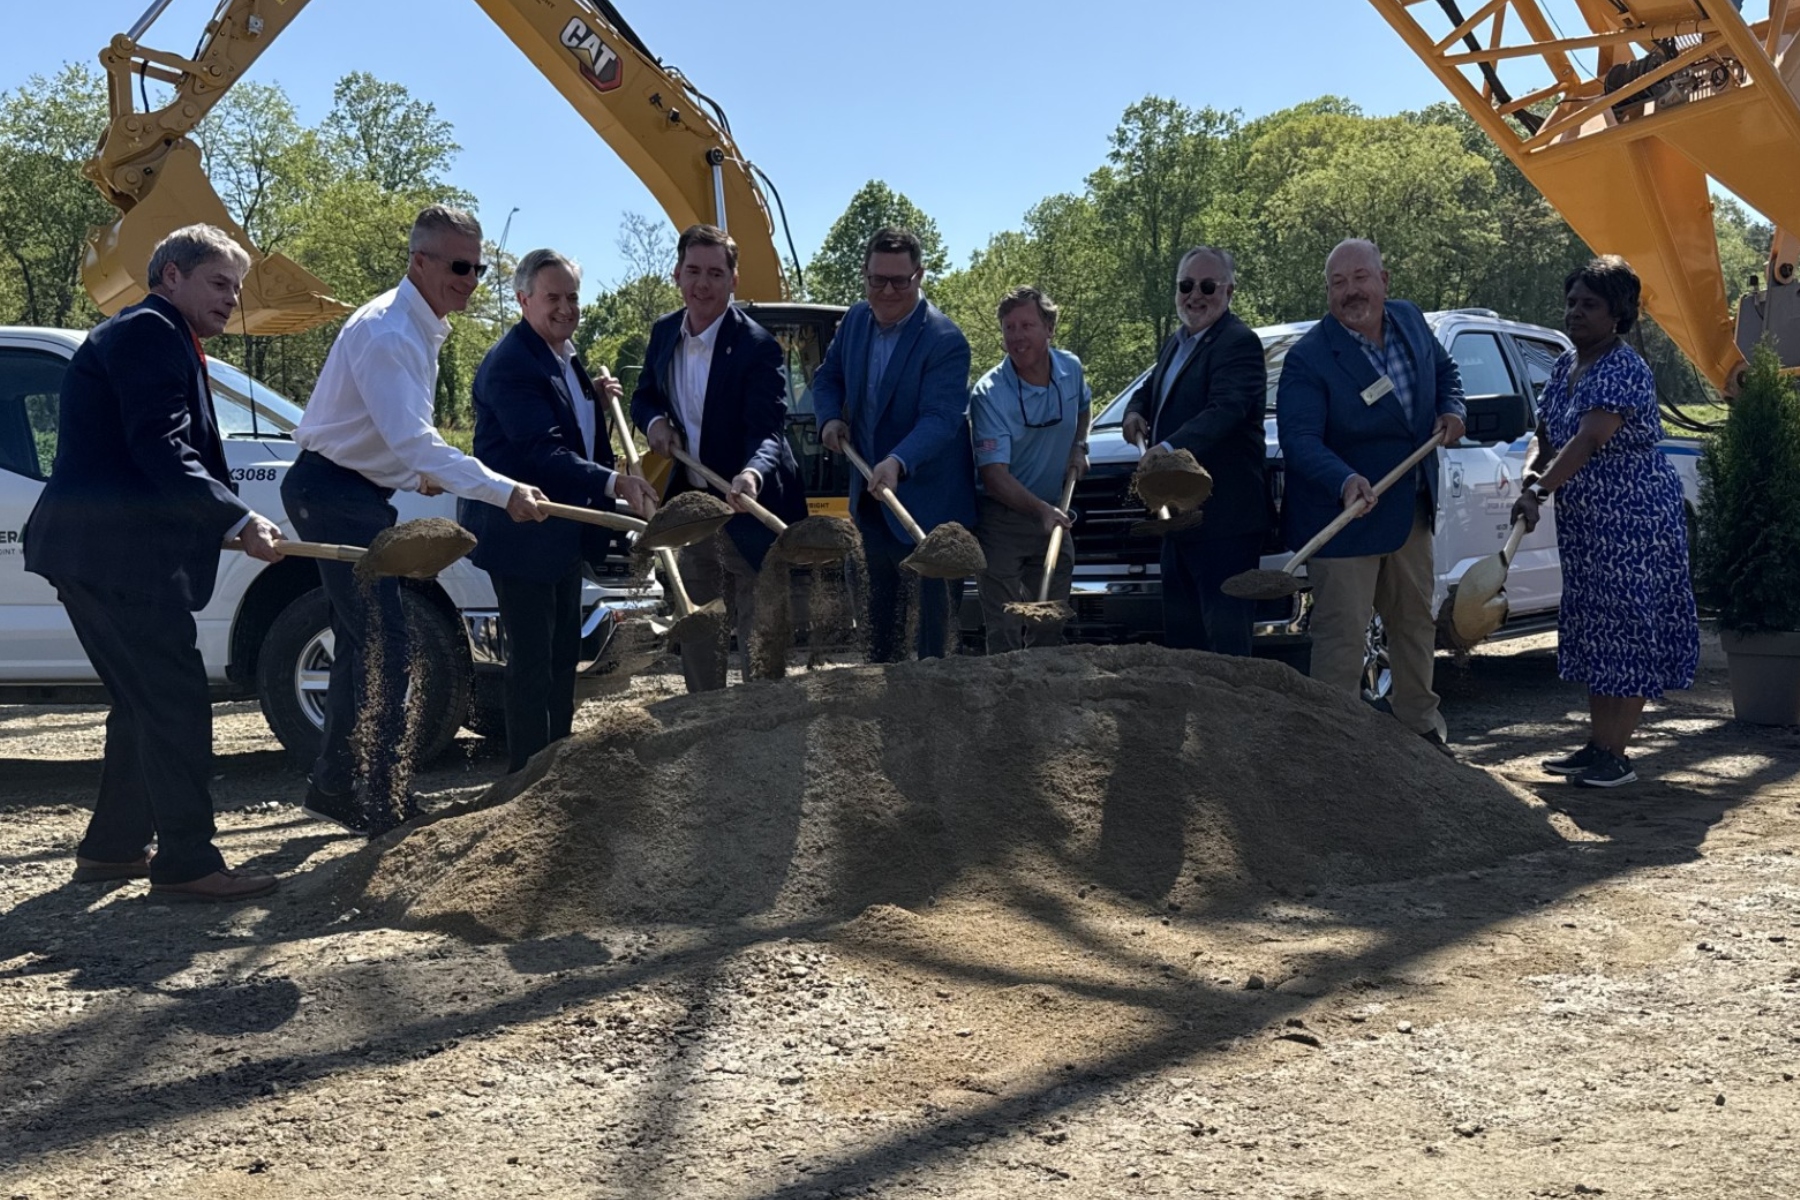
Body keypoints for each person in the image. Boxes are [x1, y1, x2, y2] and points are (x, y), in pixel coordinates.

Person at [22, 224, 284, 901]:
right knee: (174, 703)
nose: (232, 299)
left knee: (143, 705)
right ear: (172, 276)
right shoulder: (148, 334)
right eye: (219, 283)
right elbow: (163, 447)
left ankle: (112, 849)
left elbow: (143, 456)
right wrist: (234, 515)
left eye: (236, 286)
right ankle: (187, 863)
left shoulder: (155, 334)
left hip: (99, 552)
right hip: (115, 558)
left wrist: (213, 518)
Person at [285, 205, 548, 834]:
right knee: (387, 646)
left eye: (479, 268)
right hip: (331, 494)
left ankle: (336, 785)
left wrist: (413, 472)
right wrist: (503, 490)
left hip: (349, 492)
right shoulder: (390, 333)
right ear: (419, 262)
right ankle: (378, 797)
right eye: (459, 265)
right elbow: (414, 441)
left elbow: (399, 444)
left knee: (366, 643)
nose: (470, 279)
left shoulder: (415, 326)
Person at [460, 249, 658, 771]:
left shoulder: (564, 352)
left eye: (572, 297)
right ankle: (528, 772)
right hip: (522, 532)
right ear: (524, 298)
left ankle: (559, 761)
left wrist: (590, 398)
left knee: (562, 653)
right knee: (532, 662)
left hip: (564, 532)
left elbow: (566, 424)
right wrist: (615, 481)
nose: (566, 308)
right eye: (554, 298)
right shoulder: (511, 365)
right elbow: (540, 452)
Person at [1510, 256, 1699, 787]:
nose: (1575, 313)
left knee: (1627, 629)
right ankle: (1597, 745)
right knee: (1597, 631)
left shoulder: (1623, 368)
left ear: (1617, 314)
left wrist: (1543, 488)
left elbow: (1590, 438)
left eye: (1589, 305)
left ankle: (1615, 755)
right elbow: (1543, 438)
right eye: (1572, 302)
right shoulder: (1564, 365)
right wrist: (1530, 482)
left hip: (1634, 523)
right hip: (1588, 528)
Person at [1276, 239, 1467, 745]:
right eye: (1338, 283)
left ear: (1384, 280)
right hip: (1344, 520)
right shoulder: (1310, 359)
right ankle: (1335, 749)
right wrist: (1343, 479)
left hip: (1410, 511)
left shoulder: (1410, 321)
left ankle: (1421, 733)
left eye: (1360, 278)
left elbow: (1446, 374)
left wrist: (1453, 409)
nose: (1350, 291)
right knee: (1342, 640)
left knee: (1414, 627)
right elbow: (1298, 440)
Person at [631, 223, 809, 691]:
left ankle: (763, 714)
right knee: (699, 614)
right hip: (695, 503)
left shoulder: (757, 346)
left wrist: (751, 474)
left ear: (733, 279)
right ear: (676, 273)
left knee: (759, 625)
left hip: (751, 502)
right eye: (693, 271)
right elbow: (644, 396)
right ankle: (704, 712)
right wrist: (655, 425)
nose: (702, 284)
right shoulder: (665, 332)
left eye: (714, 273)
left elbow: (768, 430)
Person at [813, 227, 978, 662]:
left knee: (930, 645)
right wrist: (829, 416)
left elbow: (940, 418)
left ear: (919, 276)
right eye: (876, 280)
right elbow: (827, 377)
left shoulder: (945, 340)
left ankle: (937, 723)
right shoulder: (854, 322)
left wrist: (898, 461)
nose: (886, 291)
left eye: (899, 281)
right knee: (877, 638)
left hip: (926, 513)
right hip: (869, 512)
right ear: (864, 274)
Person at [1122, 247, 1269, 655]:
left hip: (1225, 525)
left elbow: (1226, 410)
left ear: (1229, 291)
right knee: (1185, 651)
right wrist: (1134, 413)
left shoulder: (1238, 344)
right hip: (1178, 522)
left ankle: (1234, 721)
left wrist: (1167, 449)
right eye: (1186, 286)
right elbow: (1150, 391)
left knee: (1226, 651)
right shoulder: (1178, 342)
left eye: (1207, 286)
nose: (1195, 296)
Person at [968, 286, 1090, 652]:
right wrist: (1041, 511)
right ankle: (1005, 702)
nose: (1017, 337)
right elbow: (994, 476)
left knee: (1049, 619)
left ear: (1049, 328)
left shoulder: (1071, 368)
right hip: (1002, 518)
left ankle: (1047, 700)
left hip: (1053, 511)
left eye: (1027, 325)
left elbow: (1083, 408)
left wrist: (1079, 446)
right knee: (1004, 628)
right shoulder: (989, 394)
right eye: (1009, 328)